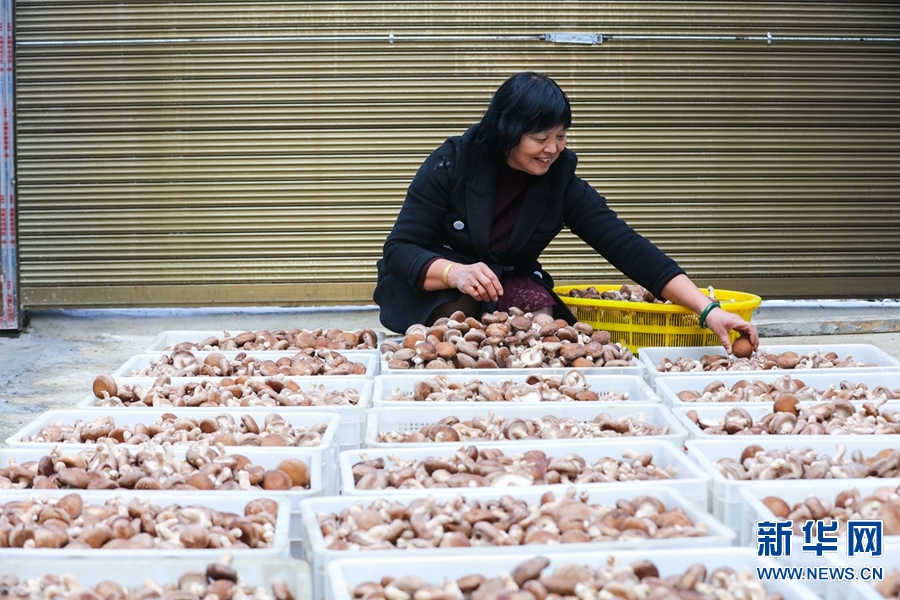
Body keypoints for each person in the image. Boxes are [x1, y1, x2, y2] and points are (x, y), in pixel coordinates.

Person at [373, 71, 758, 353]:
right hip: (437, 286)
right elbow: (401, 247)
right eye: (540, 138)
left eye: (561, 136)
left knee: (542, 323)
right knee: (458, 316)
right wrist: (454, 272)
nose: (552, 149)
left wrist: (708, 309)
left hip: (506, 282)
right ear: (507, 133)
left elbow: (626, 245)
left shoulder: (559, 181)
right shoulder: (453, 162)